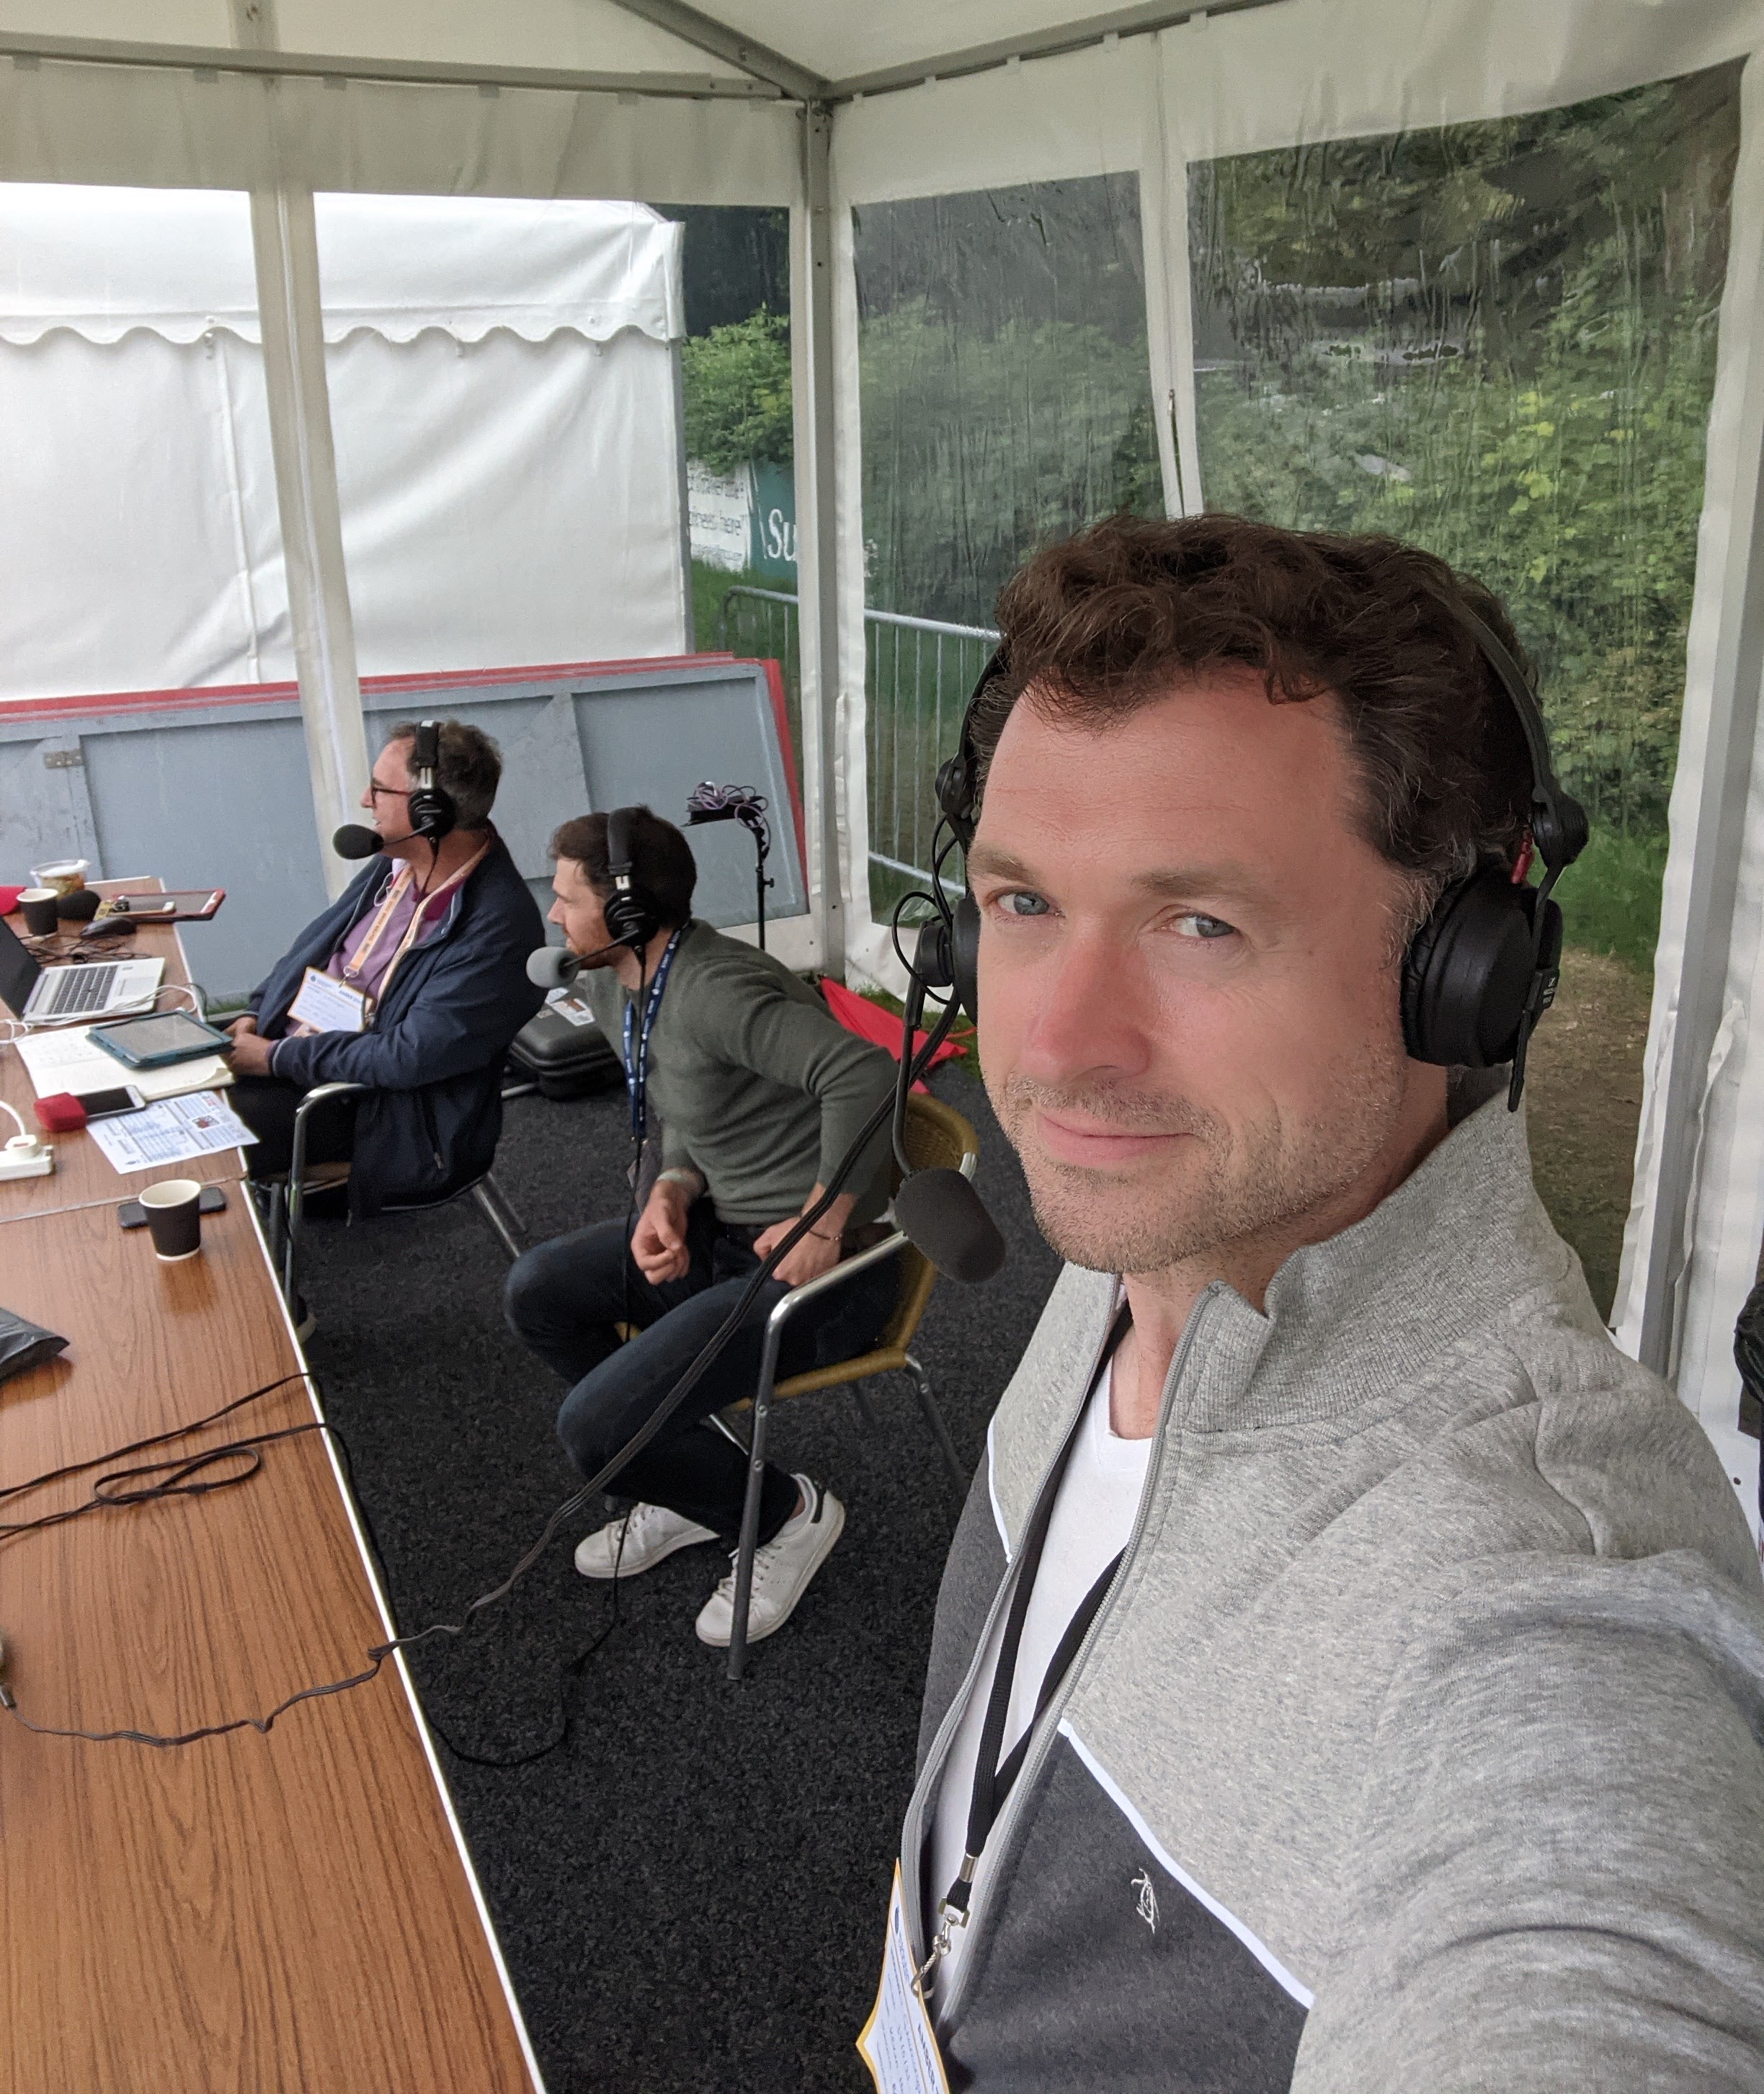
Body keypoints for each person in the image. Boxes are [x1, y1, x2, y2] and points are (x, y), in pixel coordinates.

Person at [885, 515, 1764, 2090]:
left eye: (1199, 924)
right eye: (1020, 904)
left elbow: (1584, 1954)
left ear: (1465, 974)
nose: (1060, 1047)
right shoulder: (1151, 1239)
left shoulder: (1543, 1583)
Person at [504, 806, 900, 1649]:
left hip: (824, 1276)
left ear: (627, 911)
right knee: (539, 1292)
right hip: (722, 1234)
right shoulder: (613, 981)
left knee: (593, 1430)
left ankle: (789, 1514)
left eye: (568, 898)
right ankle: (686, 1476)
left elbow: (864, 1074)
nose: (553, 914)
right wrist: (674, 1189)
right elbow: (685, 1099)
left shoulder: (716, 990)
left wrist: (823, 1220)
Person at [226, 718, 544, 1219]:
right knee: (161, 1083)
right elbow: (308, 952)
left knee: (199, 1134)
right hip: (298, 1058)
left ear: (429, 812)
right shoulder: (394, 864)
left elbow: (405, 1057)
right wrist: (257, 1012)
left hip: (372, 1109)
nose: (364, 801)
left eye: (378, 789)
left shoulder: (500, 929)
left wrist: (275, 1057)